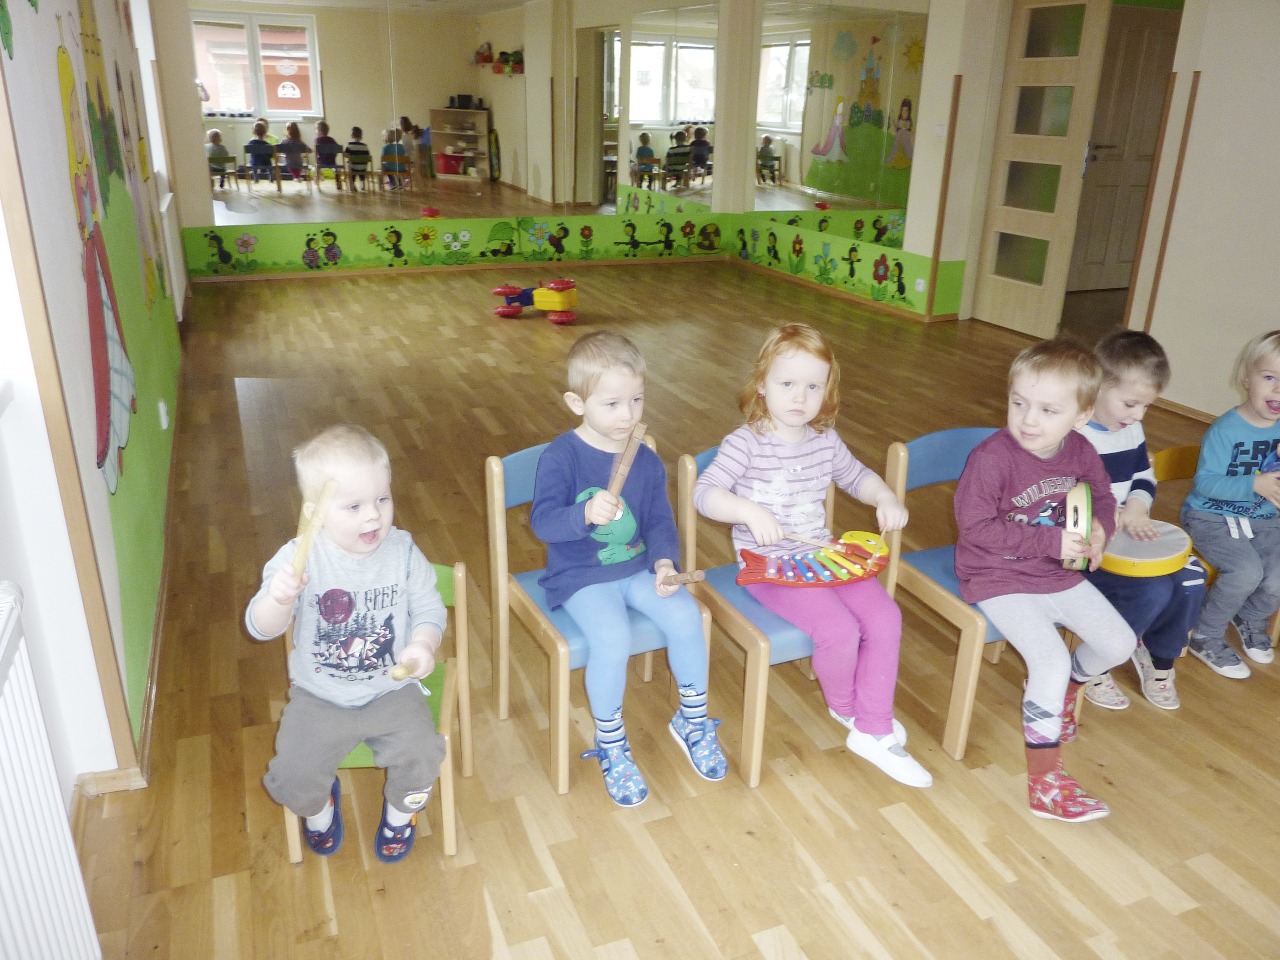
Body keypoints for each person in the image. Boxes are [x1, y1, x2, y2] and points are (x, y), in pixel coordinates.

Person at [693, 322, 931, 789]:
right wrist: (746, 510)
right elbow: (705, 493)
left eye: (813, 387)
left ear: (827, 390)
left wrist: (884, 496)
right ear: (762, 384)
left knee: (885, 617)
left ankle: (873, 723)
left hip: (823, 556)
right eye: (787, 384)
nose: (799, 398)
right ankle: (851, 712)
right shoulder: (745, 442)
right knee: (839, 630)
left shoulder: (824, 439)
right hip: (770, 568)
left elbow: (857, 476)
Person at [531, 331, 727, 807]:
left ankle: (692, 719)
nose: (628, 415)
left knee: (686, 616)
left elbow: (659, 519)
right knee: (613, 637)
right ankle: (611, 743)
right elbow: (543, 523)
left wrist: (664, 562)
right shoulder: (561, 456)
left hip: (637, 567)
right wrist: (583, 514)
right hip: (580, 574)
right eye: (613, 404)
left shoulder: (646, 459)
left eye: (637, 400)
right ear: (577, 403)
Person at [246, 424, 447, 863]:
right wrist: (278, 599)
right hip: (320, 695)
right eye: (354, 506)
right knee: (292, 774)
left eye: (382, 499)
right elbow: (261, 628)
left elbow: (429, 609)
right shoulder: (297, 558)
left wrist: (423, 644)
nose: (373, 516)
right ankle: (320, 810)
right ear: (315, 513)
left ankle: (400, 816)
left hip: (391, 689)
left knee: (422, 755)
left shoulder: (402, 551)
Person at [955, 339, 1136, 822]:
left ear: (1081, 416)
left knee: (1119, 644)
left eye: (1048, 410)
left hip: (1056, 570)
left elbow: (1102, 496)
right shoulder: (991, 458)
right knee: (1049, 661)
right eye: (1019, 403)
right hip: (995, 574)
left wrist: (1101, 530)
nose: (1028, 420)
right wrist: (1052, 541)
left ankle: (1070, 689)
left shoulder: (1080, 449)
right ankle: (1045, 783)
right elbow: (975, 528)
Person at [1074, 331, 1205, 711]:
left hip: (1124, 538)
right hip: (1086, 551)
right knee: (1152, 591)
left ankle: (1157, 657)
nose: (1138, 415)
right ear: (1097, 385)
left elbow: (1144, 476)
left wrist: (1135, 506)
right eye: (1131, 403)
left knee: (1191, 577)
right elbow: (1061, 496)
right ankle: (1095, 660)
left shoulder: (1130, 428)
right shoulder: (1073, 434)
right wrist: (1106, 514)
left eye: (1147, 406)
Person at [1182, 330, 1280, 677]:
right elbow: (1205, 483)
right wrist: (1254, 483)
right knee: (1246, 572)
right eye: (1269, 377)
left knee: (1276, 576)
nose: (1278, 390)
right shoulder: (1225, 431)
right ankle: (1205, 634)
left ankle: (1249, 617)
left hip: (1264, 517)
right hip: (1210, 516)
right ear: (1246, 378)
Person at [313, 120, 342, 187]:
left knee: (316, 167)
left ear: (319, 131)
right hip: (332, 162)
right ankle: (338, 183)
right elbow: (338, 149)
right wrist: (334, 155)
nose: (315, 131)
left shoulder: (317, 140)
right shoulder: (331, 139)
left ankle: (317, 180)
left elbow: (316, 151)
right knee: (337, 170)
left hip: (321, 162)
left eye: (316, 129)